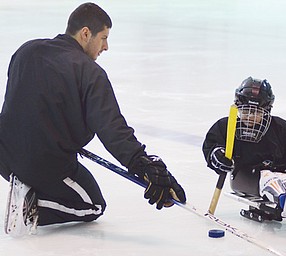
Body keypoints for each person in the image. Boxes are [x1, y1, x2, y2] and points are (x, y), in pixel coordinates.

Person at [0, 3, 186, 237]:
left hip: (4, 156)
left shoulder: (26, 50)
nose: (106, 47)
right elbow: (112, 129)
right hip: (43, 164)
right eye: (104, 38)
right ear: (86, 33)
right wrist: (144, 166)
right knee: (93, 205)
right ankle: (33, 206)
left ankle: (28, 185)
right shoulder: (88, 72)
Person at [202, 77, 286, 211]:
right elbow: (212, 146)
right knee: (267, 177)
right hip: (244, 176)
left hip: (277, 171)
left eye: (256, 112)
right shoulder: (227, 126)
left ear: (267, 110)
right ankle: (283, 199)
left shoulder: (280, 128)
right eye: (246, 110)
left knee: (284, 176)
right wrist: (217, 155)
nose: (250, 116)